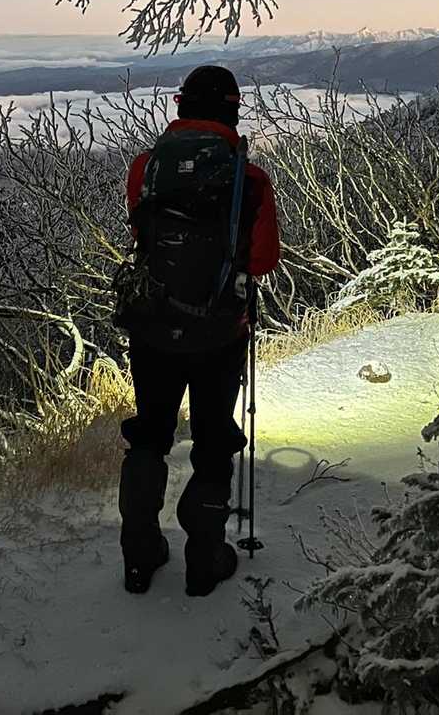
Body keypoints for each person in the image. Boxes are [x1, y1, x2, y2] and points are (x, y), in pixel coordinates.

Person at [117, 65, 280, 597]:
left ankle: (140, 557)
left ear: (182, 107)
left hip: (152, 328)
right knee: (213, 442)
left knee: (150, 434)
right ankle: (204, 560)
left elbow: (142, 233)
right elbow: (263, 259)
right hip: (219, 333)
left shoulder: (146, 168)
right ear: (232, 112)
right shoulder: (249, 180)